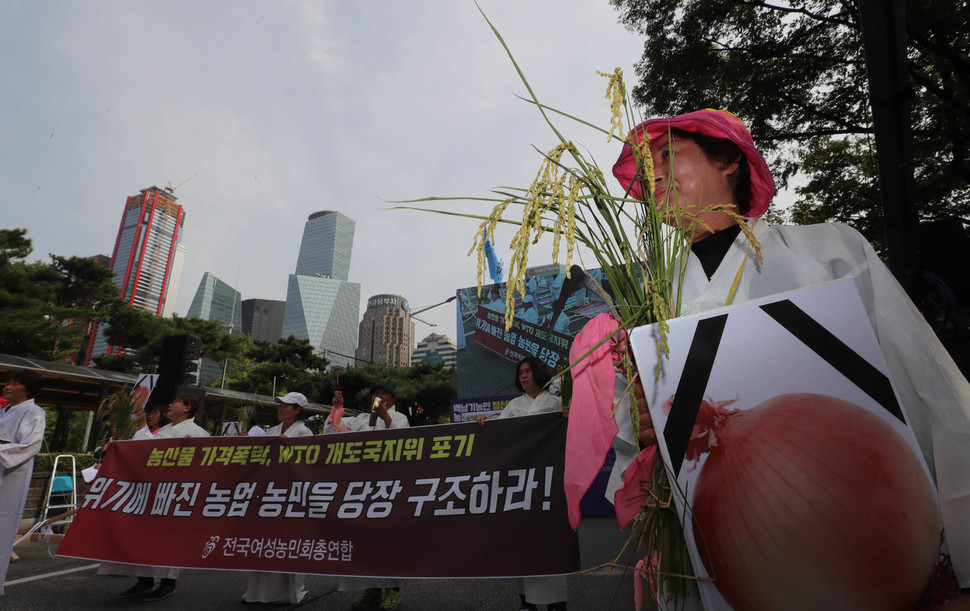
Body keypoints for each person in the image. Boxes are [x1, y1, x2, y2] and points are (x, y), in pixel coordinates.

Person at [608, 108, 970, 587]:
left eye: (669, 155)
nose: (653, 173)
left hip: (874, 529)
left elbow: (931, 390)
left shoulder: (828, 251)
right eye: (646, 163)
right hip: (721, 565)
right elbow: (632, 440)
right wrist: (640, 420)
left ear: (727, 161)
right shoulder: (648, 302)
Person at [477, 357, 568, 611]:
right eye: (520, 373)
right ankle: (526, 601)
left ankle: (556, 603)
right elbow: (501, 429)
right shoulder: (515, 405)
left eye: (528, 371)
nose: (524, 376)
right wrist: (486, 421)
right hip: (522, 483)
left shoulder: (556, 403)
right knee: (524, 542)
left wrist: (568, 416)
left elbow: (570, 434)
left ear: (539, 373)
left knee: (550, 541)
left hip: (549, 481)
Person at [116, 393, 209, 602]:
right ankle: (144, 580)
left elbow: (205, 465)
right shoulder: (164, 431)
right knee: (146, 537)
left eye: (175, 402)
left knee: (169, 539)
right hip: (153, 492)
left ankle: (167, 583)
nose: (169, 405)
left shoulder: (197, 432)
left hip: (176, 494)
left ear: (187, 408)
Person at [324, 383, 407, 610]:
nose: (378, 398)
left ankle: (393, 590)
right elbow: (332, 431)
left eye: (383, 395)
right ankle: (371, 590)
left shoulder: (400, 418)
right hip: (360, 488)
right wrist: (337, 408)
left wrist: (386, 418)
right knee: (363, 541)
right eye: (374, 395)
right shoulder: (360, 418)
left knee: (386, 541)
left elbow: (403, 442)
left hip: (387, 488)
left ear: (392, 398)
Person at [242, 392, 314, 604]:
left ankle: (287, 592)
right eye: (280, 405)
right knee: (266, 540)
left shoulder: (303, 432)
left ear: (297, 410)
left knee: (287, 541)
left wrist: (289, 448)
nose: (281, 409)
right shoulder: (272, 430)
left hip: (290, 493)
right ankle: (260, 592)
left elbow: (309, 460)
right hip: (269, 492)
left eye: (286, 406)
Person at [0, 370, 46, 596]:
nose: (7, 386)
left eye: (14, 383)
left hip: (10, 475)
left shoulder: (34, 412)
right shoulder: (4, 410)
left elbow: (31, 445)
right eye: (7, 383)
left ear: (28, 389)